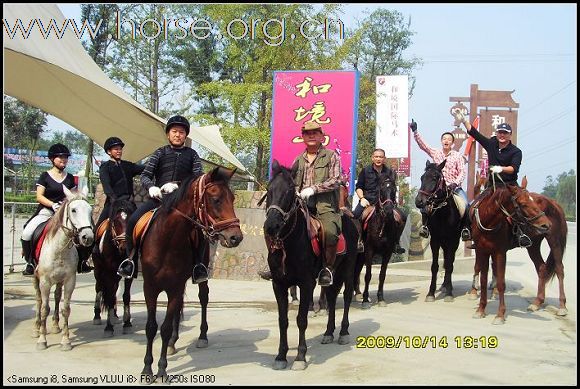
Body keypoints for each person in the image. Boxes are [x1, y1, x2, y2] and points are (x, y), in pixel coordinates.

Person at [117, 115, 204, 281]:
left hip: (182, 203)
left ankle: (198, 265)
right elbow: (145, 175)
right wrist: (151, 187)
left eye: (181, 132)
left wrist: (178, 185)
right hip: (158, 199)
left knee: (199, 230)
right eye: (174, 131)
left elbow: (198, 177)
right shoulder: (160, 152)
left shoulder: (192, 154)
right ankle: (130, 261)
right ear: (168, 134)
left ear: (186, 135)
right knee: (134, 220)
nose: (178, 135)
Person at [454, 112, 530, 247]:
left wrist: (500, 169)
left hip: (510, 186)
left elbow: (514, 168)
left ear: (510, 135)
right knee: (473, 206)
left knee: (520, 208)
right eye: (500, 132)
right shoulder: (491, 144)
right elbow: (474, 133)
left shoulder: (516, 151)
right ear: (497, 133)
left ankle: (522, 235)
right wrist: (464, 120)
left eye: (505, 133)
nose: (502, 135)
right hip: (493, 186)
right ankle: (470, 232)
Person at [20, 143, 93, 275]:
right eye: (60, 158)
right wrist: (53, 205)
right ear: (52, 159)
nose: (63, 160)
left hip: (65, 214)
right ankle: (30, 262)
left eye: (65, 158)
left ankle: (82, 261)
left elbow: (73, 196)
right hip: (47, 212)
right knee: (27, 233)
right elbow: (39, 196)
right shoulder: (45, 176)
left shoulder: (70, 178)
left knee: (83, 230)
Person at [292, 121, 343, 286]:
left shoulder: (331, 156)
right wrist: (294, 192)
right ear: (303, 138)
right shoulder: (297, 160)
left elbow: (336, 180)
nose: (311, 135)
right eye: (307, 133)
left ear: (322, 136)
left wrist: (314, 189)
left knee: (329, 232)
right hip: (301, 206)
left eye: (315, 132)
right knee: (278, 227)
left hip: (324, 207)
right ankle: (278, 265)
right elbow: (291, 182)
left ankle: (327, 269)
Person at [410, 119, 468, 239]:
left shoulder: (457, 156)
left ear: (452, 143)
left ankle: (466, 229)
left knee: (466, 205)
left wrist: (455, 183)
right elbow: (423, 146)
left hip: (454, 188)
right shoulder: (436, 153)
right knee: (425, 204)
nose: (446, 141)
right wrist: (415, 131)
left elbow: (462, 172)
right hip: (437, 189)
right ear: (441, 141)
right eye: (444, 139)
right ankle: (425, 227)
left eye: (449, 139)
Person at [353, 148, 405, 254]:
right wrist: (362, 198)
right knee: (355, 215)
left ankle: (396, 243)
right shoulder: (365, 170)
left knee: (403, 216)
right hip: (368, 201)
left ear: (384, 159)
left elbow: (393, 188)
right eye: (376, 157)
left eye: (381, 157)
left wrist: (392, 201)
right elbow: (358, 187)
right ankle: (359, 241)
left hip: (386, 203)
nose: (378, 159)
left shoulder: (390, 172)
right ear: (372, 158)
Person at [95, 137, 145, 228]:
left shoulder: (128, 165)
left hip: (130, 203)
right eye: (116, 149)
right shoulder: (105, 167)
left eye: (120, 149)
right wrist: (115, 201)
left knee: (140, 224)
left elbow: (143, 168)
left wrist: (155, 163)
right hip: (113, 203)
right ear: (109, 152)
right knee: (98, 228)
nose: (119, 151)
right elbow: (107, 188)